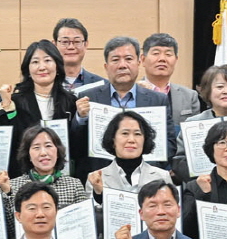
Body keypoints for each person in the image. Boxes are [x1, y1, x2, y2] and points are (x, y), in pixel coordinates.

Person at [73, 36, 175, 174]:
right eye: (115, 60)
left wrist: (150, 169)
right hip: (100, 176)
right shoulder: (88, 97)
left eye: (128, 59)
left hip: (145, 176)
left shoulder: (157, 100)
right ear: (106, 67)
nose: (122, 65)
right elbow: (76, 146)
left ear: (138, 63)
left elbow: (169, 144)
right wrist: (81, 118)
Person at [5, 40, 75, 171]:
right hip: (25, 173)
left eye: (47, 60)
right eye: (35, 62)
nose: (42, 67)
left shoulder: (71, 102)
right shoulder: (15, 101)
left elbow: (77, 142)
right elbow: (8, 141)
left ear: (57, 66)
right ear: (28, 69)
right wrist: (6, 107)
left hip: (62, 174)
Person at [87, 110, 173, 207]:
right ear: (113, 139)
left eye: (137, 134)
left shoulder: (162, 176)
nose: (131, 140)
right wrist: (99, 194)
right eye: (125, 133)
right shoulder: (96, 178)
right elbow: (94, 213)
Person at [137, 33, 202, 128]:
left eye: (168, 54)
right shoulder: (132, 93)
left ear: (176, 60)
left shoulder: (189, 96)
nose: (162, 59)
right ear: (143, 59)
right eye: (156, 53)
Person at [53, 19, 104, 90]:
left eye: (77, 41)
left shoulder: (102, 86)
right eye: (65, 42)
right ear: (55, 45)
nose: (71, 47)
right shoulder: (43, 84)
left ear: (86, 44)